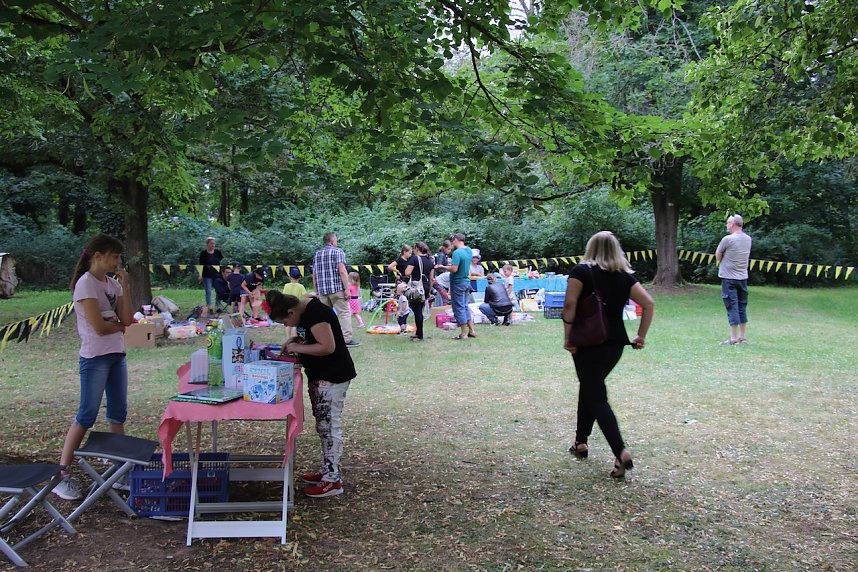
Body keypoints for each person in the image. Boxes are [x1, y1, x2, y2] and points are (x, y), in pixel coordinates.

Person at [562, 231, 654, 479]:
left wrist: (567, 335)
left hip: (587, 342)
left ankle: (620, 452)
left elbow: (570, 305)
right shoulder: (625, 276)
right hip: (614, 345)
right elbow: (648, 303)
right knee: (590, 388)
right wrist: (641, 336)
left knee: (597, 396)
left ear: (590, 248)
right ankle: (580, 442)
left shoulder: (581, 272)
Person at [54, 233, 134, 500]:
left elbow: (127, 319)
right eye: (114, 256)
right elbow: (99, 327)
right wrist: (118, 325)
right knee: (86, 414)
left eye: (119, 257)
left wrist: (125, 286)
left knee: (118, 413)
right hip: (95, 357)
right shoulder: (86, 284)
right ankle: (62, 474)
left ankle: (119, 471)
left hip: (116, 355)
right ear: (98, 256)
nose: (117, 261)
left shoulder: (112, 284)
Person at [265, 290, 357, 497]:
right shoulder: (305, 311)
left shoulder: (316, 313)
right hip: (321, 375)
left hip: (332, 376)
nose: (287, 326)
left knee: (329, 426)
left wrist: (298, 348)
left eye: (285, 322)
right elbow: (313, 336)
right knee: (323, 426)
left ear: (291, 312)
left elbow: (327, 346)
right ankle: (328, 471)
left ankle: (333, 481)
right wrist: (297, 340)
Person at [312, 232, 359, 347]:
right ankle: (346, 339)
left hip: (322, 291)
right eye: (336, 240)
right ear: (332, 240)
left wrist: (317, 291)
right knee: (344, 313)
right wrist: (346, 289)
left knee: (325, 316)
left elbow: (314, 275)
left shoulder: (317, 254)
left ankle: (327, 339)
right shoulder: (338, 251)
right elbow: (342, 271)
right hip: (337, 290)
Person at [715, 214, 752, 345]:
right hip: (743, 278)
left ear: (732, 224)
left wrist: (725, 255)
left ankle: (733, 338)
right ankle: (743, 337)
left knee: (732, 306)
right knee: (742, 306)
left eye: (727, 223)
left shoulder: (727, 239)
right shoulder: (748, 239)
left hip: (729, 279)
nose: (727, 225)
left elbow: (718, 255)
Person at [435, 233, 476, 339]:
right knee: (465, 306)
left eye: (453, 240)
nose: (452, 242)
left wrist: (443, 267)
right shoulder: (469, 250)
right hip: (466, 282)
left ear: (456, 239)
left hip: (458, 283)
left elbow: (454, 269)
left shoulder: (457, 253)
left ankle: (463, 333)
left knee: (459, 308)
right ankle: (472, 331)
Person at [403, 241, 434, 341]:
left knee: (417, 311)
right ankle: (418, 333)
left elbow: (407, 272)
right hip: (425, 287)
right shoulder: (430, 260)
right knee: (419, 310)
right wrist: (429, 291)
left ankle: (419, 335)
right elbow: (431, 278)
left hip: (416, 288)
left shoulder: (415, 259)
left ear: (416, 248)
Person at [198, 237, 224, 312]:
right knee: (208, 291)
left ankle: (218, 306)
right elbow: (200, 265)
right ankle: (209, 307)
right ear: (207, 244)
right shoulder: (203, 253)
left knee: (218, 290)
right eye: (211, 243)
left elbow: (220, 261)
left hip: (217, 274)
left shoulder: (217, 252)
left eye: (214, 243)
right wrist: (200, 275)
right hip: (207, 275)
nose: (213, 245)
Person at [282, 266, 308, 340]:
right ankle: (294, 340)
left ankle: (288, 339)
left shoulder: (286, 286)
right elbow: (306, 296)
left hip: (288, 307)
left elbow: (283, 296)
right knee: (295, 325)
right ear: (299, 277)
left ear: (290, 277)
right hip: (297, 308)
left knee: (288, 324)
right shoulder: (301, 286)